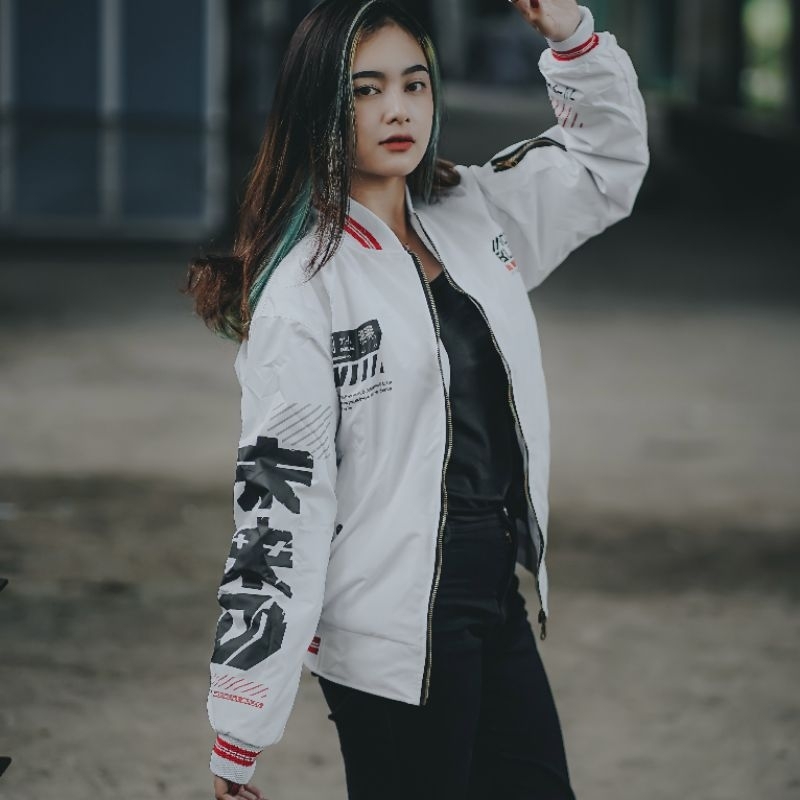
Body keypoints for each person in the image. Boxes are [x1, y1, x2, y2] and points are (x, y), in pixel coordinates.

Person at [184, 0, 649, 798]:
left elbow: (607, 165)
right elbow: (279, 507)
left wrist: (572, 35)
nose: (397, 109)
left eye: (414, 84)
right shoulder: (304, 291)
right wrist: (241, 724)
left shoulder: (472, 212)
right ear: (320, 109)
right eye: (365, 90)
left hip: (491, 589)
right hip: (388, 627)